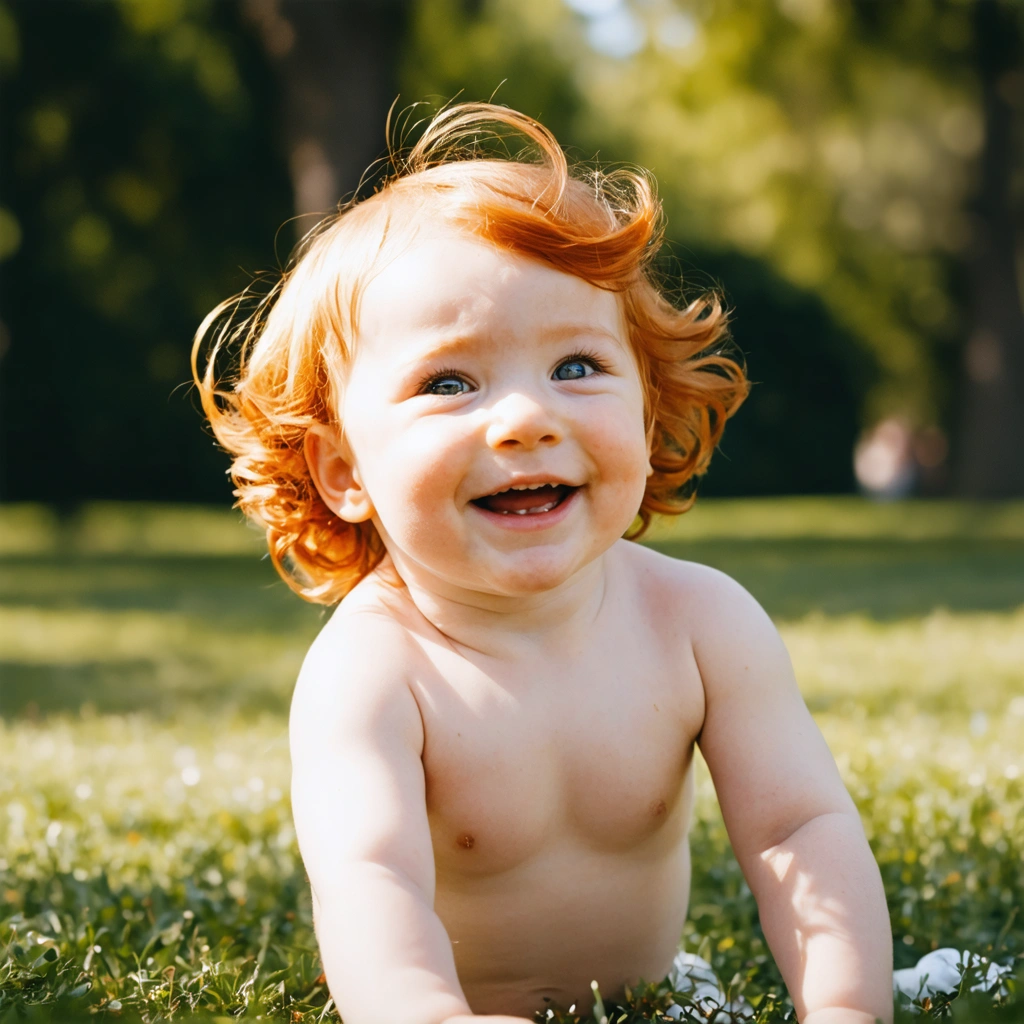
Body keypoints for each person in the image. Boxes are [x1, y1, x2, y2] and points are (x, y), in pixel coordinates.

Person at [192, 102, 894, 1024]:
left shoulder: (700, 622)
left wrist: (845, 1005)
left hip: (649, 1003)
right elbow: (371, 881)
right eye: (449, 384)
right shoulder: (373, 671)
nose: (527, 418)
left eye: (575, 367)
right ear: (343, 470)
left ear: (645, 411)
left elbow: (799, 828)